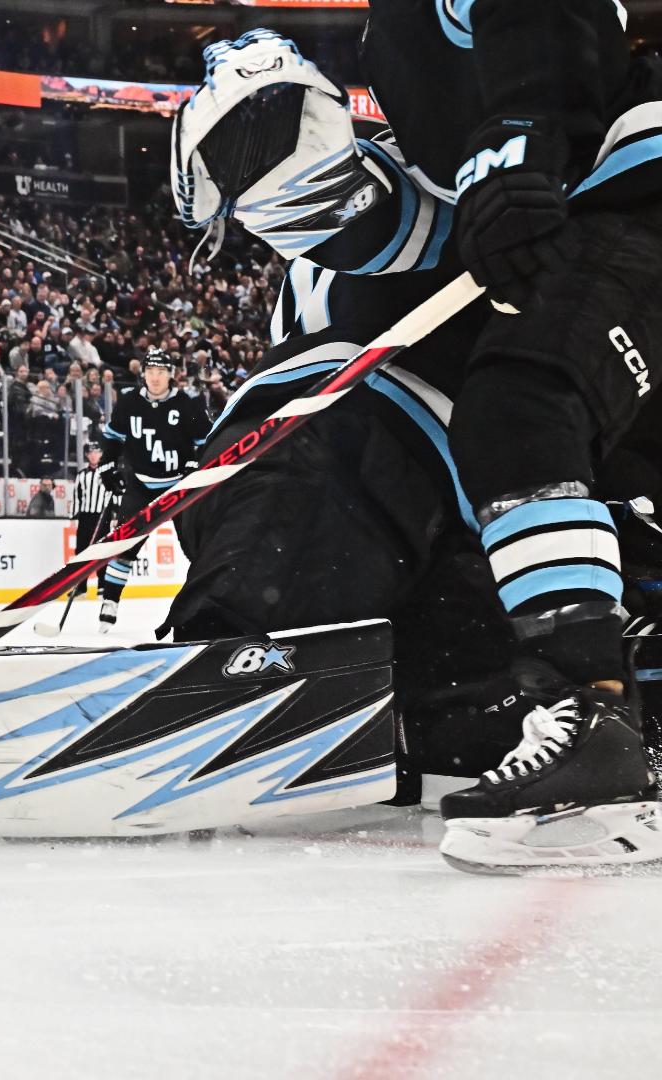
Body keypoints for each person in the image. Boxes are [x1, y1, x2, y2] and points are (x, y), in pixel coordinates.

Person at [171, 25, 662, 871]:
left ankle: (239, 680)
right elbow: (405, 227)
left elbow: (415, 218)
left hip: (467, 493)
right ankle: (266, 663)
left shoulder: (532, 185)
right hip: (442, 525)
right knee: (444, 697)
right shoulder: (414, 202)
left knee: (358, 455)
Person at [95, 348, 209, 631]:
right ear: (143, 374)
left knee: (198, 548)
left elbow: (205, 439)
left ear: (171, 374)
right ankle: (110, 600)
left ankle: (206, 601)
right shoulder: (129, 402)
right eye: (150, 371)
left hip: (180, 487)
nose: (155, 377)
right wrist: (107, 466)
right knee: (125, 543)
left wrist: (194, 463)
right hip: (141, 485)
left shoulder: (187, 403)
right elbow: (112, 437)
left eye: (160, 372)